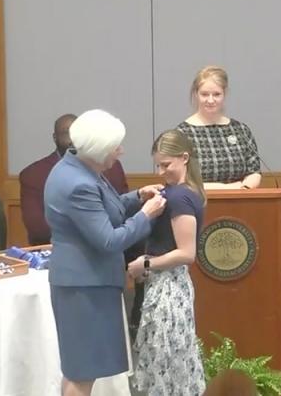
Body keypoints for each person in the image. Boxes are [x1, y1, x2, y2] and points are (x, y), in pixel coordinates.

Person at [44, 109, 166, 396]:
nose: (120, 151)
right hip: (84, 287)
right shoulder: (79, 184)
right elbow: (109, 240)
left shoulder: (80, 167)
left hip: (89, 283)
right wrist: (146, 216)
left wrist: (137, 198)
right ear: (98, 149)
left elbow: (106, 209)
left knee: (82, 369)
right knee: (81, 372)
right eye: (115, 147)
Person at [127, 129, 207, 395]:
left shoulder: (179, 197)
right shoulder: (180, 192)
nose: (161, 171)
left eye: (166, 165)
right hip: (168, 286)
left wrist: (144, 264)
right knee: (171, 361)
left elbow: (186, 253)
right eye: (158, 165)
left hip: (170, 288)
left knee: (168, 361)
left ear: (184, 158)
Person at [19, 113, 129, 245]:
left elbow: (119, 206)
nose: (72, 140)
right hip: (69, 250)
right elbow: (39, 231)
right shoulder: (34, 174)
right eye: (66, 133)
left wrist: (138, 196)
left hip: (118, 248)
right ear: (55, 138)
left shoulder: (112, 165)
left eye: (77, 135)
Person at [177, 66, 262, 189]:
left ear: (225, 93)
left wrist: (244, 189)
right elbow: (182, 181)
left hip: (240, 203)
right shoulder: (181, 134)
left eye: (216, 94)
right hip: (197, 204)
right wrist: (231, 188)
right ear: (196, 94)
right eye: (205, 94)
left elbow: (254, 172)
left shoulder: (241, 130)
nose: (210, 100)